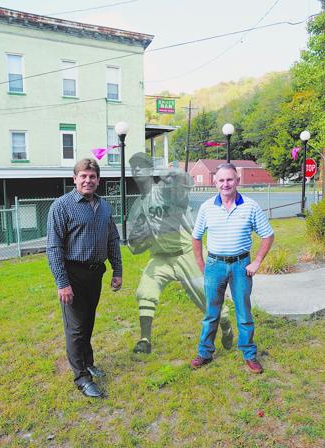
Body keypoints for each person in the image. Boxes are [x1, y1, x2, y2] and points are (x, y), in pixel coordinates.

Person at [127, 152, 233, 354]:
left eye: (142, 166)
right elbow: (134, 247)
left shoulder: (165, 189)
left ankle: (226, 326)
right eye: (134, 168)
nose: (137, 170)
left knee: (207, 298)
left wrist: (176, 174)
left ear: (151, 170)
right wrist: (138, 239)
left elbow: (184, 185)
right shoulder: (137, 205)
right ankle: (144, 340)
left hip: (186, 253)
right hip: (161, 257)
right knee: (145, 291)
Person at [47, 158, 122, 398]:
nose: (88, 180)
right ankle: (81, 377)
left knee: (88, 321)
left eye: (92, 177)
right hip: (73, 274)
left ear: (98, 180)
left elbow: (112, 240)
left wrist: (117, 270)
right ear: (75, 178)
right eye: (83, 176)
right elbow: (54, 248)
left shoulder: (104, 207)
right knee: (76, 328)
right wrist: (62, 282)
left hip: (95, 273)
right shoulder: (61, 206)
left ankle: (88, 361)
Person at [191, 163, 274, 374]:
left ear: (237, 180)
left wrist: (256, 262)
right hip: (215, 265)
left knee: (244, 313)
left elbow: (268, 235)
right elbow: (196, 236)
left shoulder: (251, 206)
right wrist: (202, 264)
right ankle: (204, 352)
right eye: (221, 180)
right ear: (214, 182)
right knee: (211, 312)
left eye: (229, 179)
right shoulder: (207, 207)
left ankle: (249, 354)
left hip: (240, 266)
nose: (225, 184)